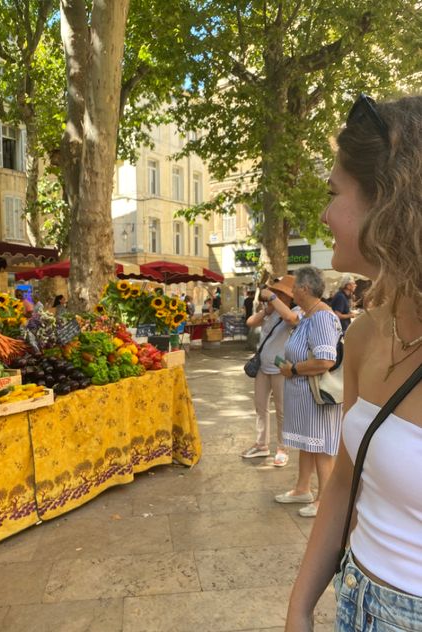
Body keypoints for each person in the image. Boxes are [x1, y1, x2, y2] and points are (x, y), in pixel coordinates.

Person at [285, 95, 422, 631]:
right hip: (353, 602)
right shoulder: (368, 332)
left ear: (390, 202)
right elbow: (345, 479)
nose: (323, 214)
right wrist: (300, 607)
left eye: (334, 194)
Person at [275, 266, 343, 518]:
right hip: (306, 396)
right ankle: (302, 489)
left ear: (305, 289)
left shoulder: (322, 317)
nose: (291, 293)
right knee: (308, 443)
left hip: (318, 396)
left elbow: (326, 360)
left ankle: (324, 500)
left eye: (294, 288)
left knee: (322, 447)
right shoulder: (308, 315)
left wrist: (293, 369)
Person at [242, 275, 300, 466]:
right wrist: (267, 309)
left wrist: (274, 301)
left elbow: (292, 319)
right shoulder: (273, 310)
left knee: (282, 410)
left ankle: (283, 449)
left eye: (280, 292)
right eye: (275, 292)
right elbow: (250, 322)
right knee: (260, 407)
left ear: (289, 295)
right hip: (263, 367)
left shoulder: (297, 310)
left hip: (282, 367)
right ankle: (261, 445)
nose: (275, 294)